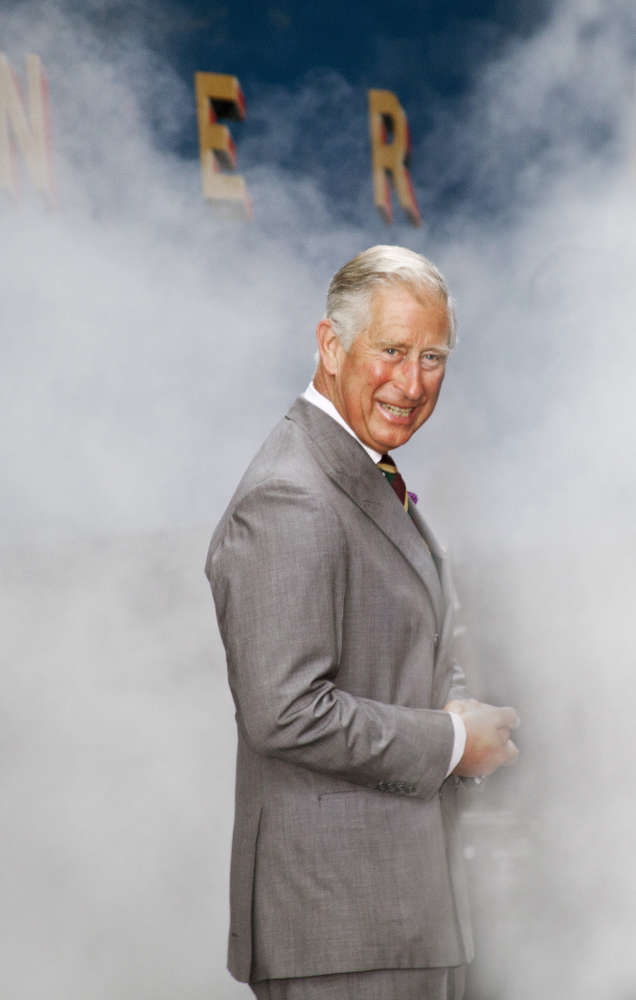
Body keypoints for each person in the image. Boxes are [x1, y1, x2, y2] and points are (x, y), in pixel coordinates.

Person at [204, 246, 519, 1000]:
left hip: (392, 915)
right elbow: (283, 712)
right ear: (330, 345)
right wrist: (452, 741)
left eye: (433, 356)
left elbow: (408, 640)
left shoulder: (358, 467)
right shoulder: (292, 494)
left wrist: (467, 714)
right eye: (392, 351)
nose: (411, 384)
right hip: (340, 930)